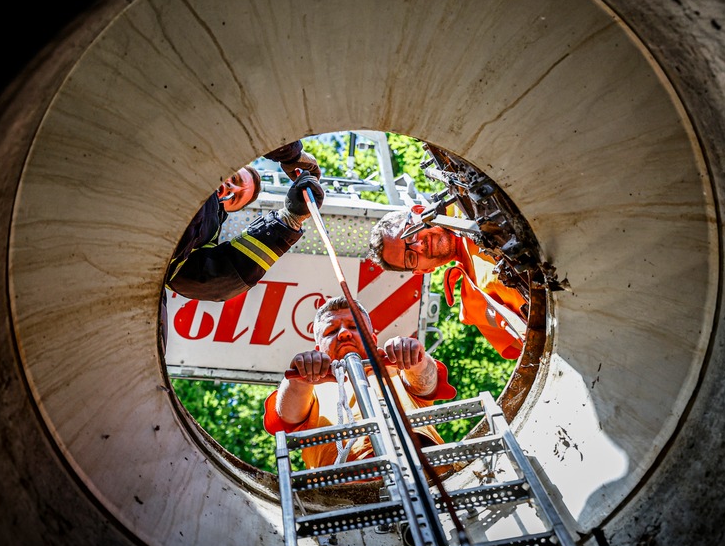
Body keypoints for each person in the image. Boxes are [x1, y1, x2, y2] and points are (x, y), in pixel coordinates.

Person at [263, 295, 456, 470]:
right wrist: (300, 379)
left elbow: (426, 383)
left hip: (425, 471)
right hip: (344, 493)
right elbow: (288, 416)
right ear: (318, 348)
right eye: (331, 331)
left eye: (354, 327)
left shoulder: (395, 369)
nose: (344, 334)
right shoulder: (312, 389)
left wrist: (416, 357)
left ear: (373, 339)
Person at [164, 141, 324, 303]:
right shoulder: (195, 156)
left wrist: (290, 219)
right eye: (234, 178)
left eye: (235, 198)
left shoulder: (204, 234)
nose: (232, 188)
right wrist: (290, 155)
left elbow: (209, 280)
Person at [367, 208, 528, 360]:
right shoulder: (474, 306)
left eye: (410, 235)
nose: (419, 246)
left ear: (419, 211)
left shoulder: (465, 201)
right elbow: (530, 348)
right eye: (410, 257)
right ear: (423, 271)